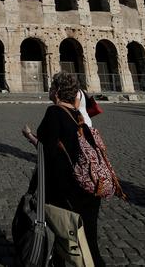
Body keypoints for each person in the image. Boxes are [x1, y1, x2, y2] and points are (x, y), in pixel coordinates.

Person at [36, 72, 107, 266]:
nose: (49, 91)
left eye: (52, 88)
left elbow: (46, 148)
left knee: (59, 237)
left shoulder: (54, 113)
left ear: (57, 92)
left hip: (67, 189)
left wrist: (31, 138)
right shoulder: (81, 116)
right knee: (90, 244)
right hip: (90, 187)